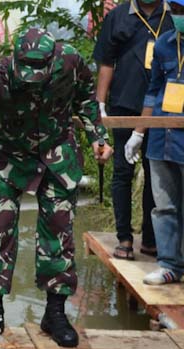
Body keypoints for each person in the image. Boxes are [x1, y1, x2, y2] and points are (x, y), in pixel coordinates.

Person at [0, 28, 113, 348]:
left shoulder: (71, 61)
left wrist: (98, 138)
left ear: (52, 59)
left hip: (57, 156)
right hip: (9, 158)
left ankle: (55, 314)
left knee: (59, 232)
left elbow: (87, 99)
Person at [94, 0, 172, 261]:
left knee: (157, 173)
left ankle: (150, 239)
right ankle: (124, 237)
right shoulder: (117, 16)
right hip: (124, 105)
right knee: (122, 172)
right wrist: (100, 105)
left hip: (163, 110)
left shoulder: (174, 13)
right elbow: (106, 62)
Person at [132, 0, 184, 285]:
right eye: (175, 11)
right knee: (163, 205)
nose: (179, 17)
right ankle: (169, 265)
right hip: (161, 138)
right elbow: (152, 92)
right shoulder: (163, 44)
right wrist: (139, 132)